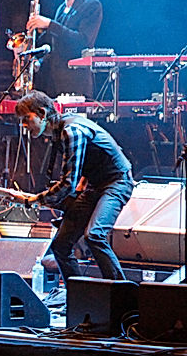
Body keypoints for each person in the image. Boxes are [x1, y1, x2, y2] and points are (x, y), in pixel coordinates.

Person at [10, 90, 133, 293]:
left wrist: (33, 200)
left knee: (94, 235)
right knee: (60, 245)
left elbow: (67, 183)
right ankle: (79, 300)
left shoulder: (71, 131)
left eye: (26, 119)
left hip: (116, 182)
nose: (24, 126)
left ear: (42, 113)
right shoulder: (59, 134)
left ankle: (124, 298)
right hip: (96, 185)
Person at [27, 0, 102, 99]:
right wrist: (29, 46)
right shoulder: (61, 9)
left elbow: (82, 41)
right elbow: (52, 43)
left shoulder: (92, 5)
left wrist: (50, 24)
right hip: (54, 86)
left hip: (75, 85)